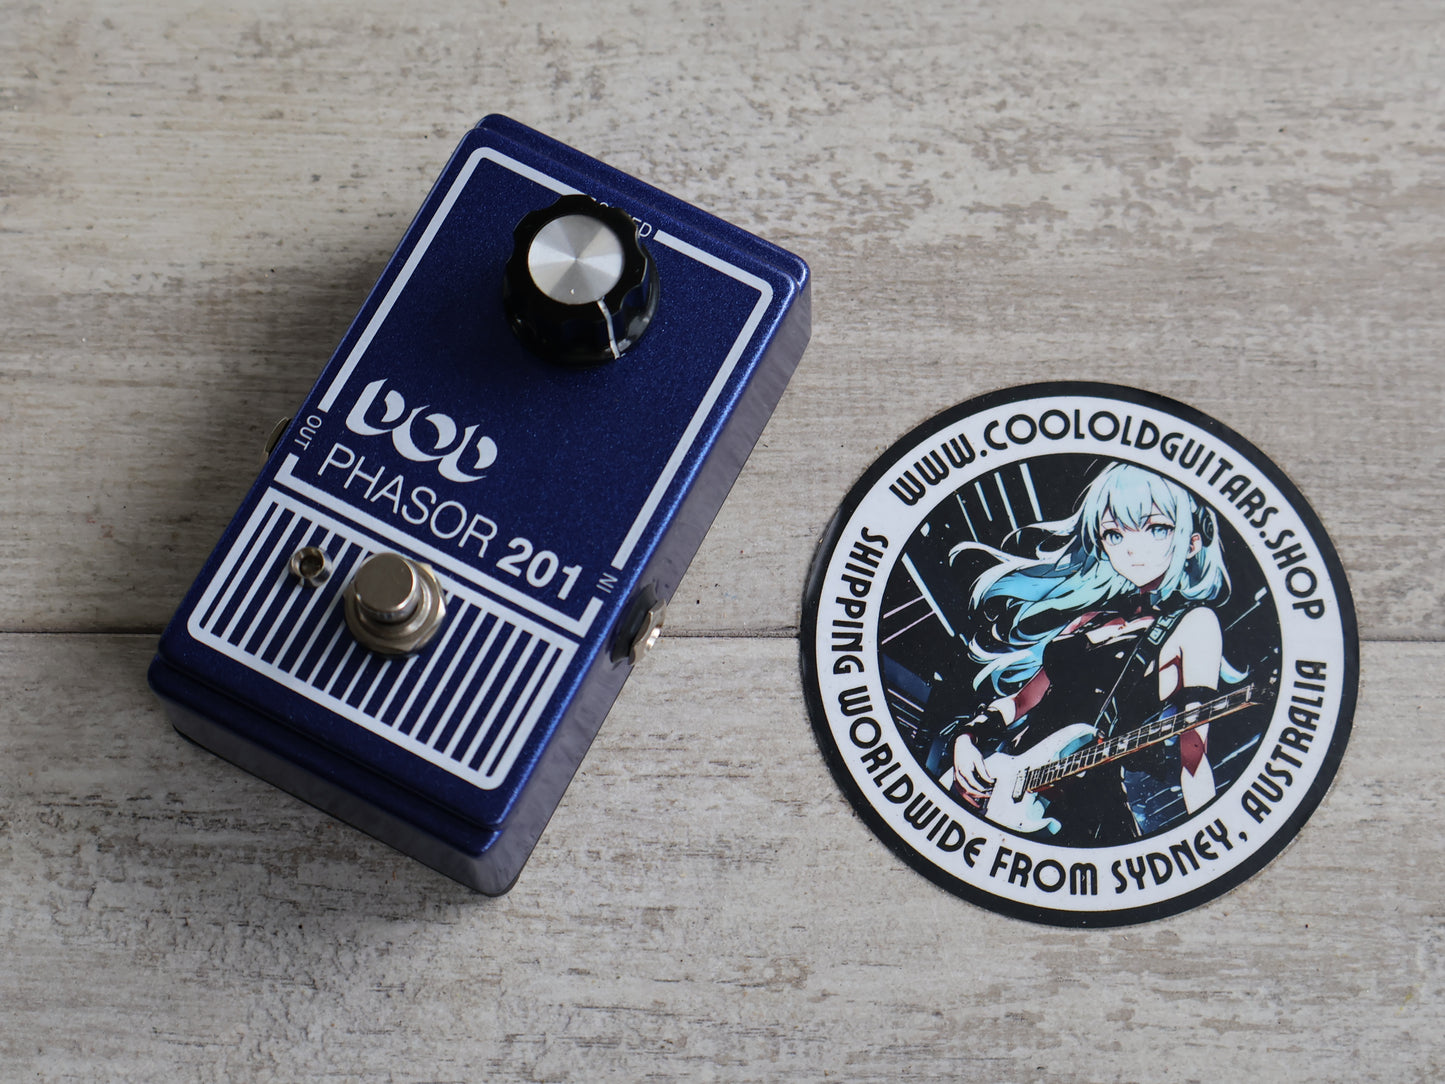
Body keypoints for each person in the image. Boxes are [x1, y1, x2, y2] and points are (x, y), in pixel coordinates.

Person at [948, 462, 1243, 845]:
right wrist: (967, 738)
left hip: (1087, 817)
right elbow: (1022, 702)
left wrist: (1208, 845)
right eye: (1115, 534)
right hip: (1007, 790)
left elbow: (1194, 756)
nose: (1132, 548)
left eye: (1157, 528)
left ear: (1192, 543)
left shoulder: (1194, 623)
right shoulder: (1089, 619)